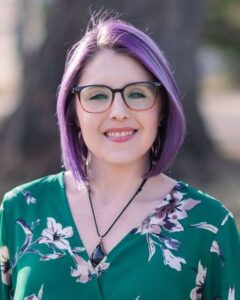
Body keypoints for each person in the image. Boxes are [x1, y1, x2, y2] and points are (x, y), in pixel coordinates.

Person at [1, 16, 240, 300]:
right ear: (73, 111)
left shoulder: (209, 225)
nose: (118, 111)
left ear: (162, 108)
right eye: (98, 96)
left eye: (137, 94)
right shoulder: (20, 212)